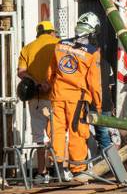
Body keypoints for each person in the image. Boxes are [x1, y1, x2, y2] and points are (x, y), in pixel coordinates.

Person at [48, 12, 103, 180]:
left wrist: (55, 88)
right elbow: (94, 83)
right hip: (77, 100)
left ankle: (57, 166)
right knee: (77, 132)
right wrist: (98, 106)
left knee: (56, 131)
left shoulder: (59, 45)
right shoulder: (92, 53)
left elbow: (50, 73)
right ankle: (78, 169)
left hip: (57, 96)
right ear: (92, 31)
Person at [17, 21, 59, 183]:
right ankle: (60, 169)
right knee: (59, 133)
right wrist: (48, 83)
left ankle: (42, 173)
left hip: (35, 98)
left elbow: (21, 72)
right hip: (55, 97)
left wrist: (36, 83)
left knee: (39, 137)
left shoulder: (27, 48)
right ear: (52, 32)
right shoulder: (59, 45)